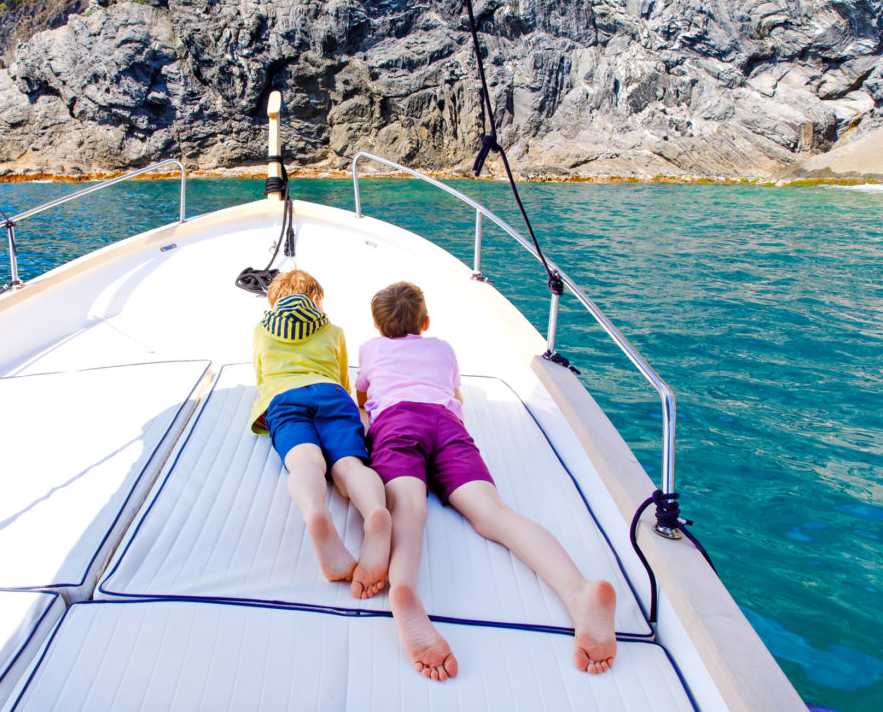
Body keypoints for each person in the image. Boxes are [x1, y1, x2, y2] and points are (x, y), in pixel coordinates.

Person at [356, 281, 617, 681]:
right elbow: (456, 392)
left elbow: (363, 398)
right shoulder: (442, 348)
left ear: (378, 326)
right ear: (425, 322)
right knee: (493, 513)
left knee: (408, 508)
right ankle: (579, 591)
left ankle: (403, 590)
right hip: (446, 424)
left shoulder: (370, 350)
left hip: (397, 422)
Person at [250, 269, 391, 599]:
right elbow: (342, 377)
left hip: (283, 399)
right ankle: (374, 512)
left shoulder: (261, 329)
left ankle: (314, 509)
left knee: (306, 465)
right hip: (331, 394)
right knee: (349, 467)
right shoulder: (332, 329)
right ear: (315, 300)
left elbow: (260, 375)